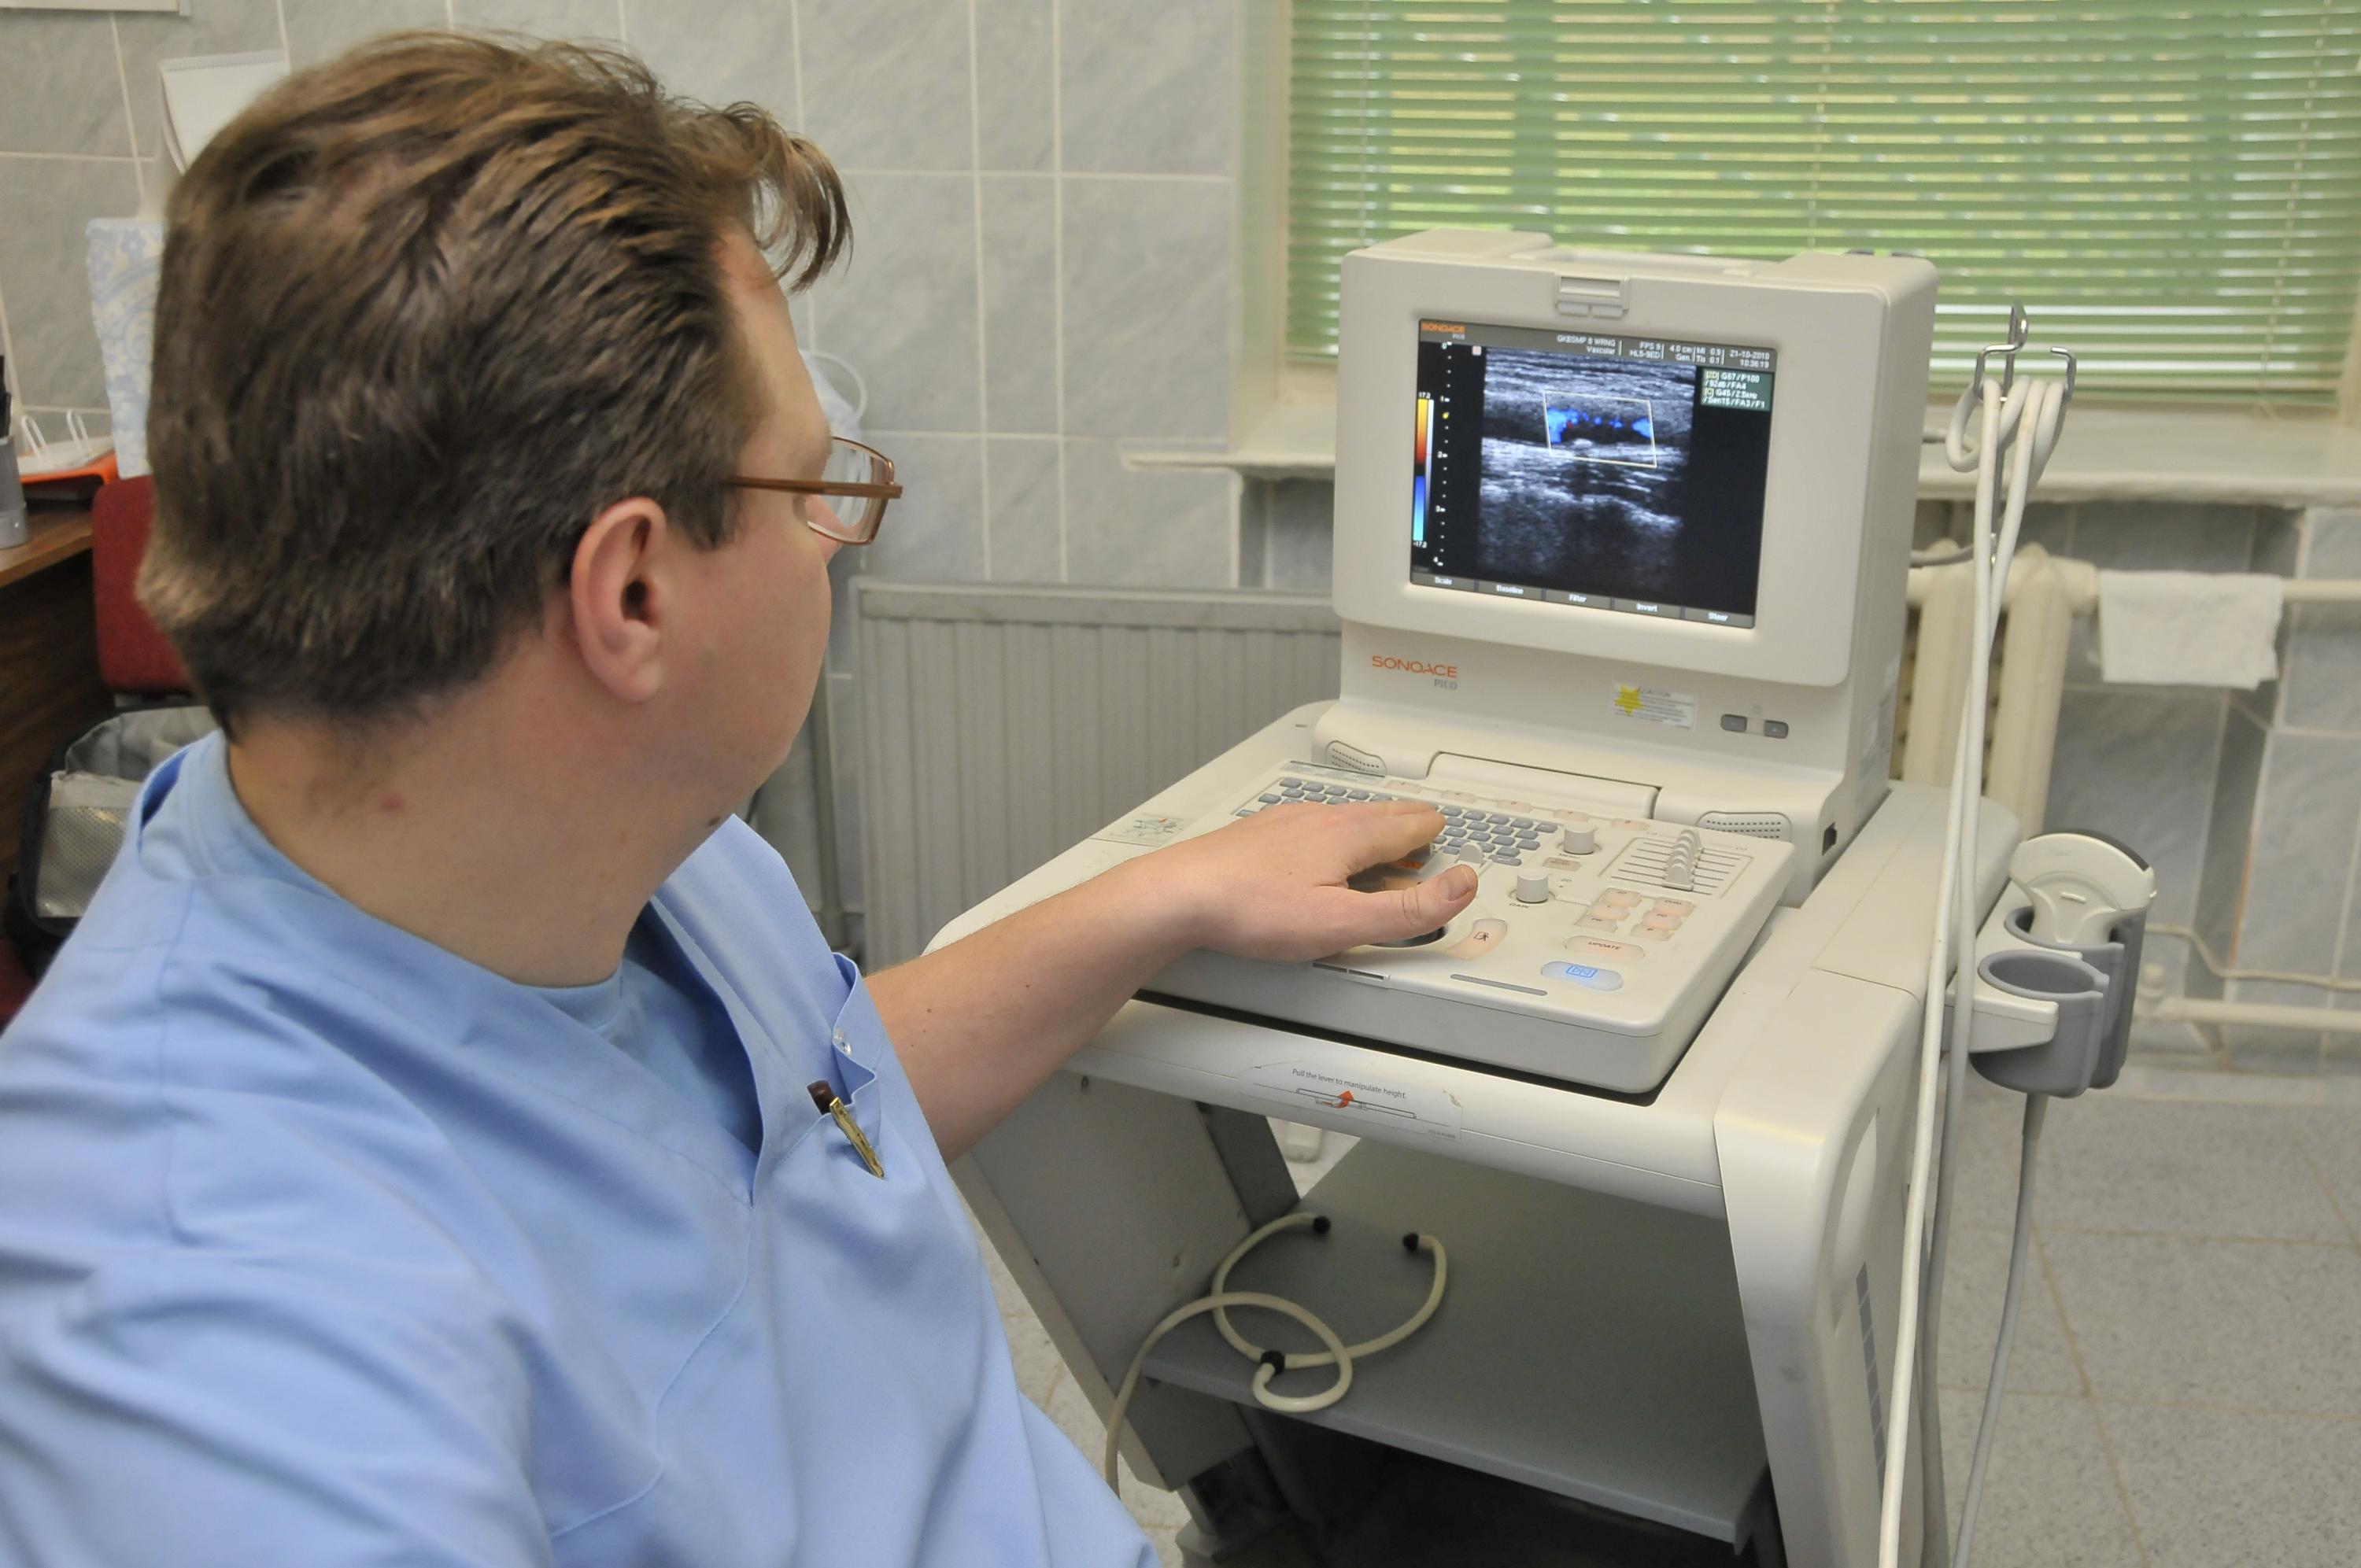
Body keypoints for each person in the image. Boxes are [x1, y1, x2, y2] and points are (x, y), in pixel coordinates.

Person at [0, 32, 1477, 1566]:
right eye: (814, 487)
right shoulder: (211, 1339)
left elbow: (807, 1105)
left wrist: (1166, 896)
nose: (835, 535)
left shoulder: (599, 835)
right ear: (632, 595)